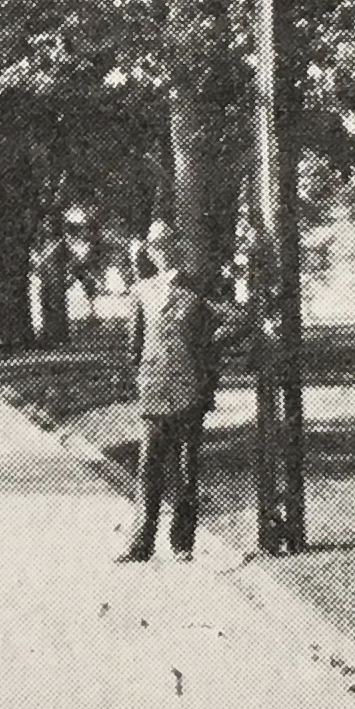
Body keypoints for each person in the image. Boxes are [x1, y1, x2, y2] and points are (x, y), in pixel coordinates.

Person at [123, 225, 230, 562]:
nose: (162, 251)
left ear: (176, 247)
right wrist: (144, 378)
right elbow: (135, 345)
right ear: (150, 252)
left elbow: (215, 336)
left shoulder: (196, 290)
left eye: (167, 244)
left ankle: (182, 543)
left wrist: (206, 380)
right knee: (148, 469)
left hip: (188, 392)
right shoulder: (141, 292)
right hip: (154, 391)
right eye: (156, 246)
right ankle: (140, 544)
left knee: (186, 471)